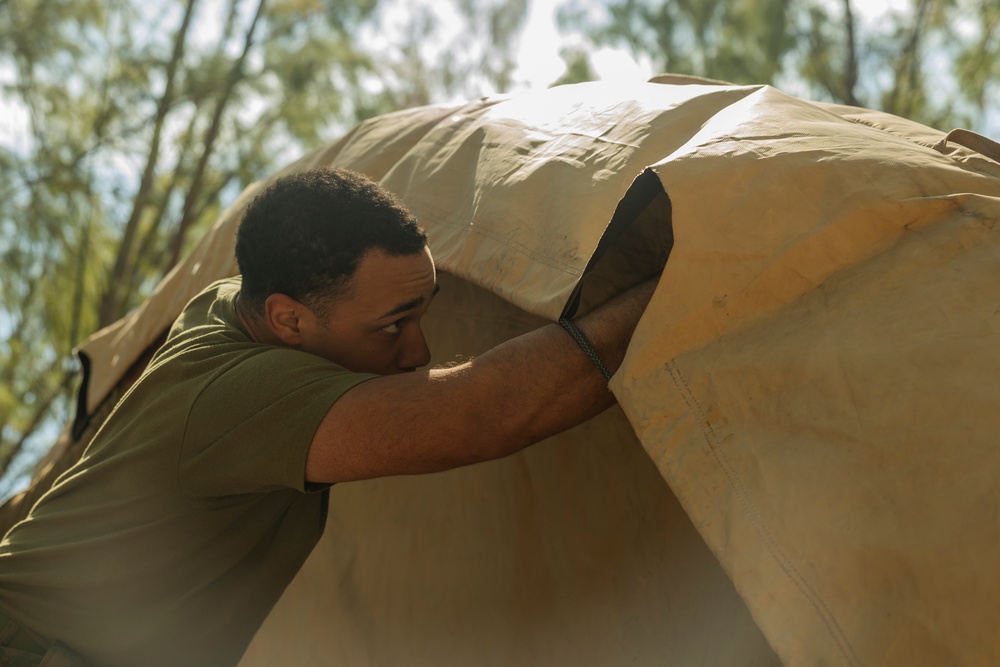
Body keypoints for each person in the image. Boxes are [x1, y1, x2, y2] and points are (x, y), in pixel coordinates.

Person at [0, 167, 657, 667]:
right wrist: (673, 292)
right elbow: (485, 412)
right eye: (395, 324)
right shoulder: (244, 396)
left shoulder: (231, 303)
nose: (419, 349)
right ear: (288, 317)